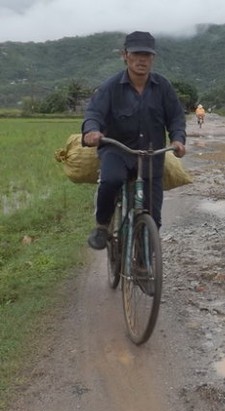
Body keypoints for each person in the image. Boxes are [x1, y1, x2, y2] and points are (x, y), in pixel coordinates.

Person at [82, 31, 187, 250]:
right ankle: (102, 225)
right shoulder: (111, 87)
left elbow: (176, 117)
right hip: (117, 151)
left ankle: (143, 260)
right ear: (125, 55)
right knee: (110, 181)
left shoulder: (163, 87)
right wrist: (92, 131)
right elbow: (94, 113)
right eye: (136, 54)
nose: (141, 60)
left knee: (153, 216)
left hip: (151, 155)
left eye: (146, 55)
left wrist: (178, 139)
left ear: (153, 58)